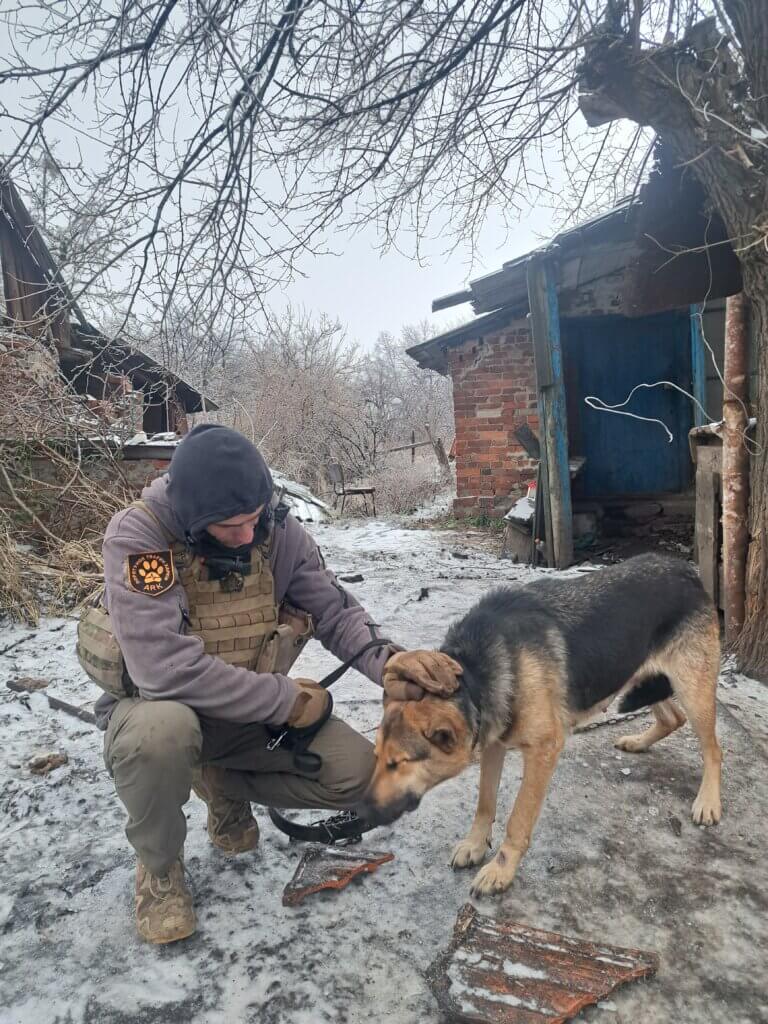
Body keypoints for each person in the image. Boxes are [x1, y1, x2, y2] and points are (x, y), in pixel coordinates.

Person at [77, 424, 459, 944]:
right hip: (156, 711)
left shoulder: (275, 529)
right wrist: (286, 700)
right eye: (230, 527)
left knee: (359, 777)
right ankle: (161, 870)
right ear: (192, 519)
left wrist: (389, 662)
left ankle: (220, 783)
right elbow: (161, 670)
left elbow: (332, 610)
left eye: (254, 519)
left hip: (245, 718)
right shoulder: (139, 535)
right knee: (160, 735)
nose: (247, 535)